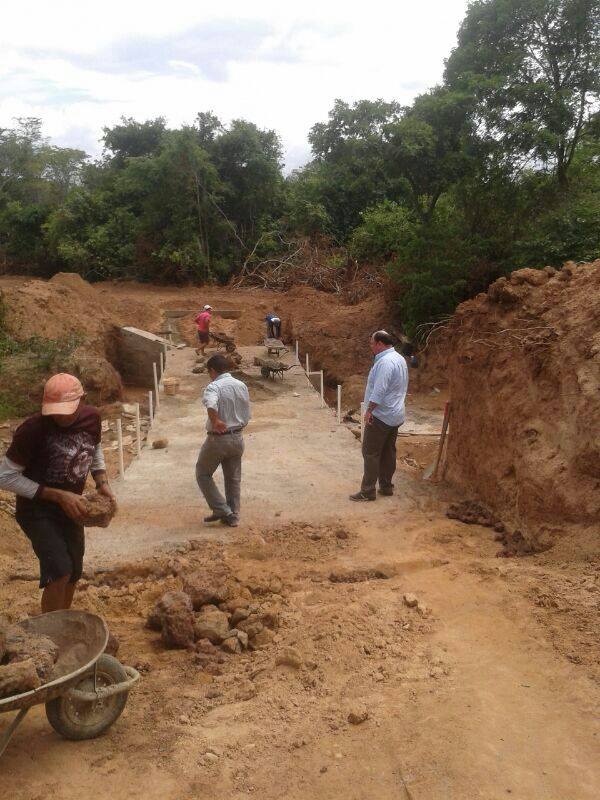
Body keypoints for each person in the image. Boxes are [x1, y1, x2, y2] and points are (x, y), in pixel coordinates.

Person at [0, 374, 116, 612]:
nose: (60, 416)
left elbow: (94, 447)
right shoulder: (33, 430)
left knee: (74, 570)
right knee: (59, 571)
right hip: (37, 510)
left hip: (72, 508)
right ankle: (51, 637)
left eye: (67, 409)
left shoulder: (91, 418)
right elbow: (5, 476)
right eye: (55, 410)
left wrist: (101, 479)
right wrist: (58, 495)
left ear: (82, 400)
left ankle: (63, 623)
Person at [350, 331, 408, 502]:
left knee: (370, 452)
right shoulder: (399, 359)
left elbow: (379, 390)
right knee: (388, 451)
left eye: (372, 343)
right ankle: (386, 486)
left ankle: (368, 491)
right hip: (395, 413)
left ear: (380, 344)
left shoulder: (385, 362)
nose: (371, 347)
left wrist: (369, 411)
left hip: (381, 415)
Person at [196, 354, 251, 527]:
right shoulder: (241, 385)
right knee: (233, 478)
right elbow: (246, 412)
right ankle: (233, 515)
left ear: (212, 370)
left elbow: (211, 404)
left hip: (218, 439)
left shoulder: (214, 387)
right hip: (238, 437)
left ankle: (221, 509)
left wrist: (215, 421)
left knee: (203, 473)